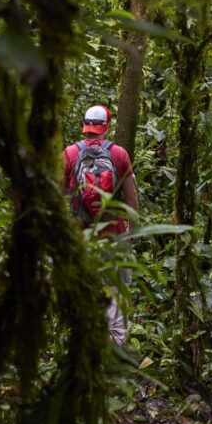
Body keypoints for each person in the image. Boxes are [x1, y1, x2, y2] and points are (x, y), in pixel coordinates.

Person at [62, 104, 138, 344]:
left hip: (81, 237)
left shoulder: (69, 154)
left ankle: (85, 345)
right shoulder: (119, 154)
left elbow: (60, 194)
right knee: (116, 292)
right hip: (114, 236)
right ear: (106, 126)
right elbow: (131, 197)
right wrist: (132, 231)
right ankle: (116, 348)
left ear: (84, 125)